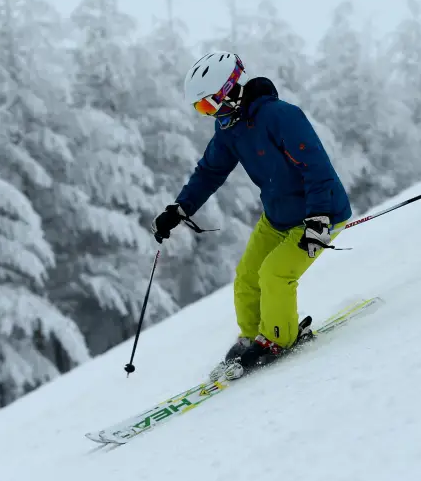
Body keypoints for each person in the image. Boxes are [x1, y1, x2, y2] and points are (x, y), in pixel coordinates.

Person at [151, 51, 352, 380]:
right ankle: (253, 335)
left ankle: (278, 339)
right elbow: (209, 172)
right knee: (247, 276)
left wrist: (318, 219)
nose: (206, 114)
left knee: (275, 274)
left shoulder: (281, 116)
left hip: (319, 213)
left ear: (228, 90)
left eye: (207, 105)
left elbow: (316, 168)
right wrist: (179, 209)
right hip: (277, 217)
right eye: (200, 109)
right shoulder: (229, 127)